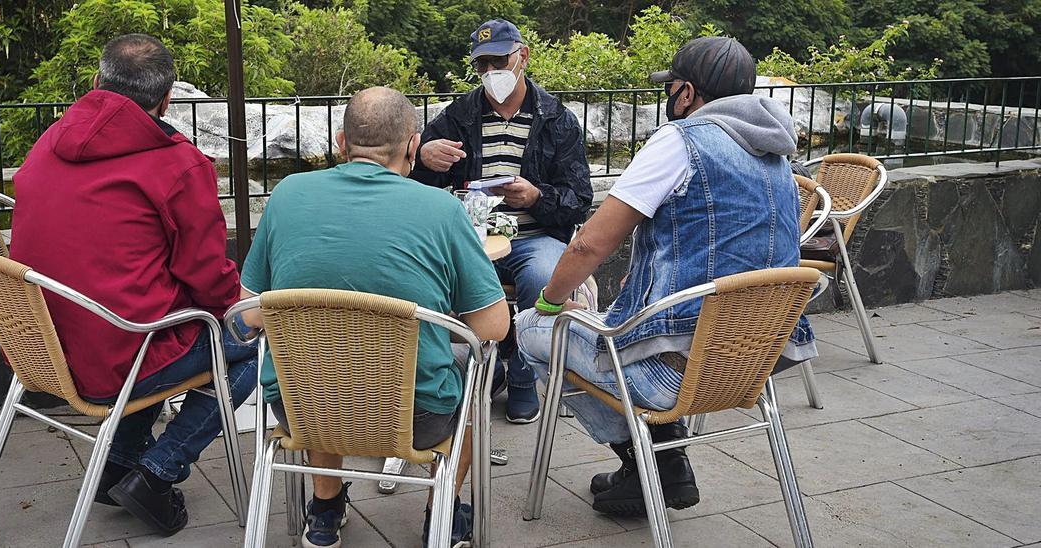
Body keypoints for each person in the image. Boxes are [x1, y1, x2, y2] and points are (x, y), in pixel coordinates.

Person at [514, 36, 817, 517]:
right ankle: (658, 460)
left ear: (689, 93)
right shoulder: (778, 155)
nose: (669, 95)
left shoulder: (681, 141)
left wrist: (551, 302)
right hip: (751, 363)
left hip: (672, 370)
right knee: (609, 317)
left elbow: (591, 243)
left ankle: (651, 457)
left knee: (532, 328)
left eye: (672, 86)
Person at [238, 86, 510, 548]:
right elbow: (493, 327)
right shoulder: (441, 209)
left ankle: (325, 509)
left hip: (301, 408)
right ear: (411, 145)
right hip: (415, 417)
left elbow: (248, 315)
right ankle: (440, 512)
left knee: (322, 358)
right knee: (477, 376)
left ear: (342, 143)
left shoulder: (286, 195)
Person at [8, 34, 257, 536]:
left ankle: (118, 462)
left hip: (41, 345)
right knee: (247, 354)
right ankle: (157, 470)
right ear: (167, 99)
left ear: (97, 83)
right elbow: (210, 281)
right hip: (118, 358)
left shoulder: (47, 143)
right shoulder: (178, 165)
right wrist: (246, 308)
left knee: (155, 325)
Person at [411, 19, 593, 424]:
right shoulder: (458, 115)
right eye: (482, 65)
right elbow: (412, 181)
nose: (492, 73)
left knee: (545, 276)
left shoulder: (556, 119)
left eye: (499, 61)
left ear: (522, 57)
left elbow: (579, 200)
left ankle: (523, 374)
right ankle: (478, 367)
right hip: (473, 237)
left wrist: (536, 196)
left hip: (536, 236)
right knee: (438, 276)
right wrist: (423, 158)